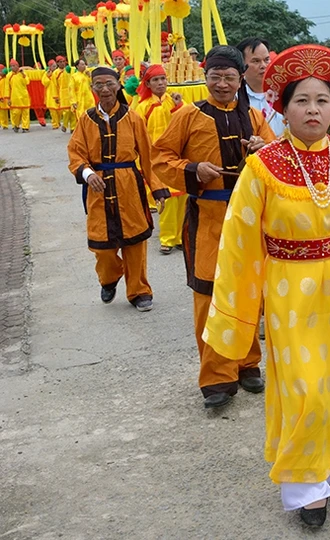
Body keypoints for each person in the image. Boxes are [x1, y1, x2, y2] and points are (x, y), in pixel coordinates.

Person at [205, 44, 330, 528]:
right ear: (282, 107)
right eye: (301, 101)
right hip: (291, 290)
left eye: (322, 100)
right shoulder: (263, 167)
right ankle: (303, 485)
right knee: (303, 387)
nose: (312, 110)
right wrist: (238, 314)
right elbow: (239, 244)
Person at [152, 45, 275, 409]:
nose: (222, 84)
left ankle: (248, 362)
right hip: (207, 217)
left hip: (249, 219)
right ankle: (216, 376)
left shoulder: (253, 116)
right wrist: (193, 170)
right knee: (209, 296)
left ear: (241, 80)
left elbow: (278, 154)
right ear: (205, 78)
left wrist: (262, 147)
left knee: (250, 291)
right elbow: (161, 157)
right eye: (215, 77)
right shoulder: (188, 115)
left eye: (230, 78)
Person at [66, 67, 170, 312]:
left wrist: (157, 189)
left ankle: (139, 290)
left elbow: (147, 155)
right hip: (98, 187)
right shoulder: (86, 119)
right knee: (102, 246)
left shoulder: (132, 117)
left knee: (135, 243)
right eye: (99, 85)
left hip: (128, 185)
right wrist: (87, 173)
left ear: (118, 85)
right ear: (92, 88)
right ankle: (110, 277)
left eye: (109, 84)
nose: (104, 89)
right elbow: (76, 153)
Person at [132, 65, 186, 254]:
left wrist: (179, 105)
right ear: (147, 83)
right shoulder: (143, 106)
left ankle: (179, 236)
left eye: (163, 79)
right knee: (167, 198)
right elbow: (138, 134)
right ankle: (167, 238)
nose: (161, 83)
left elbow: (184, 123)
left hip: (177, 156)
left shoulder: (175, 100)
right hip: (157, 159)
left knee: (182, 198)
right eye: (156, 80)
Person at [236, 37, 284, 135]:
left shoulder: (285, 92)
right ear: (242, 65)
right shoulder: (234, 97)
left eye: (266, 60)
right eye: (256, 61)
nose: (264, 66)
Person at [7, 59, 30, 133]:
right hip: (14, 97)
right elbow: (7, 88)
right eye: (11, 66)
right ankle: (16, 125)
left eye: (14, 66)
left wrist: (23, 74)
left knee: (25, 112)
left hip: (24, 96)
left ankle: (25, 127)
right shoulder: (9, 75)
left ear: (18, 66)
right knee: (16, 113)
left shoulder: (23, 73)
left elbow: (27, 82)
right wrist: (8, 98)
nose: (12, 67)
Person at [55, 55, 76, 132]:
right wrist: (56, 97)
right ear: (57, 63)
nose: (63, 63)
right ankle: (65, 124)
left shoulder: (69, 69)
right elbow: (54, 85)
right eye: (61, 62)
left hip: (71, 92)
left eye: (64, 61)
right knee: (66, 111)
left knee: (73, 111)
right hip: (62, 94)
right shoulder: (56, 73)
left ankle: (73, 128)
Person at [42, 60, 62, 129]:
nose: (55, 67)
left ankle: (58, 122)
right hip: (50, 94)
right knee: (53, 111)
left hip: (58, 93)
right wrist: (48, 76)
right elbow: (44, 83)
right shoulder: (46, 74)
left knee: (59, 111)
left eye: (55, 66)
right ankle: (55, 124)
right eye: (53, 66)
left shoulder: (58, 72)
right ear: (49, 67)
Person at [0, 65, 9, 130]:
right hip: (2, 98)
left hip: (8, 97)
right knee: (2, 112)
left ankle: (14, 124)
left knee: (10, 111)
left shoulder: (8, 78)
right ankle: (3, 124)